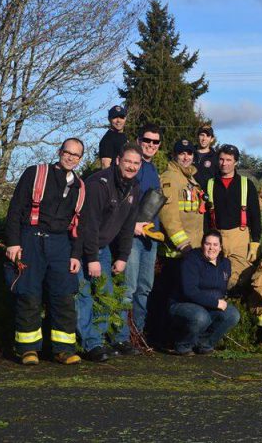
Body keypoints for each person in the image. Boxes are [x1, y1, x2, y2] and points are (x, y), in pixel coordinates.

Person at [4, 138, 87, 365]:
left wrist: (75, 255)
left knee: (63, 297)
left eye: (76, 155)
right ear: (59, 152)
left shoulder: (80, 187)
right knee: (29, 294)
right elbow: (15, 209)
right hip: (32, 238)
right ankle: (28, 349)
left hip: (61, 244)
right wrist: (13, 242)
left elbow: (80, 225)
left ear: (80, 159)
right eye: (67, 152)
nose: (71, 157)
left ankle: (64, 349)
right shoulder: (36, 173)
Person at [77, 144, 142, 362]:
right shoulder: (99, 184)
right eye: (128, 161)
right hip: (83, 247)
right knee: (84, 295)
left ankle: (107, 339)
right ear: (117, 160)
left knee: (106, 293)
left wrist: (123, 256)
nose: (131, 166)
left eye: (136, 163)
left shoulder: (134, 188)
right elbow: (89, 225)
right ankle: (91, 344)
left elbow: (127, 225)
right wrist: (93, 258)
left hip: (103, 247)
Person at [148, 138, 206, 349]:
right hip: (176, 254)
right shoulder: (170, 179)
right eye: (181, 153)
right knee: (168, 299)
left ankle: (175, 338)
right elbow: (169, 216)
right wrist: (184, 245)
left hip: (192, 251)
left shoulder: (190, 179)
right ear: (174, 155)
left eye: (189, 153)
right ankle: (161, 339)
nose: (185, 156)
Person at [112, 123, 162, 355]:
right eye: (147, 140)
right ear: (139, 140)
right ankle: (121, 337)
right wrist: (132, 226)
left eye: (155, 142)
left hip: (150, 239)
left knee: (144, 289)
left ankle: (137, 336)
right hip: (131, 238)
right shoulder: (131, 168)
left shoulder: (152, 170)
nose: (150, 145)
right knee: (128, 289)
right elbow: (118, 205)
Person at [169, 230, 240, 356]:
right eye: (208, 244)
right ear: (202, 245)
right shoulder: (191, 260)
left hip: (208, 305)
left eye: (215, 244)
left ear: (220, 247)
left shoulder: (225, 264)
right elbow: (189, 292)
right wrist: (215, 302)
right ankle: (182, 345)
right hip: (183, 304)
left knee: (232, 314)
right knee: (201, 317)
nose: (211, 248)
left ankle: (204, 344)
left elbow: (221, 289)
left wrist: (218, 301)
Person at [206, 144, 261, 291]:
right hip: (216, 237)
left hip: (240, 237)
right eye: (222, 159)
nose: (224, 163)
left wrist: (255, 243)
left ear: (236, 162)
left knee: (241, 278)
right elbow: (205, 215)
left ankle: (238, 310)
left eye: (229, 160)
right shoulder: (210, 184)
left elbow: (255, 215)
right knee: (214, 277)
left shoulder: (246, 184)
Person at [98, 105, 128, 169]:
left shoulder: (123, 136)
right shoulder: (107, 139)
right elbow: (105, 165)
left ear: (125, 118)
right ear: (109, 119)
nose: (118, 120)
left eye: (121, 117)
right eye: (115, 117)